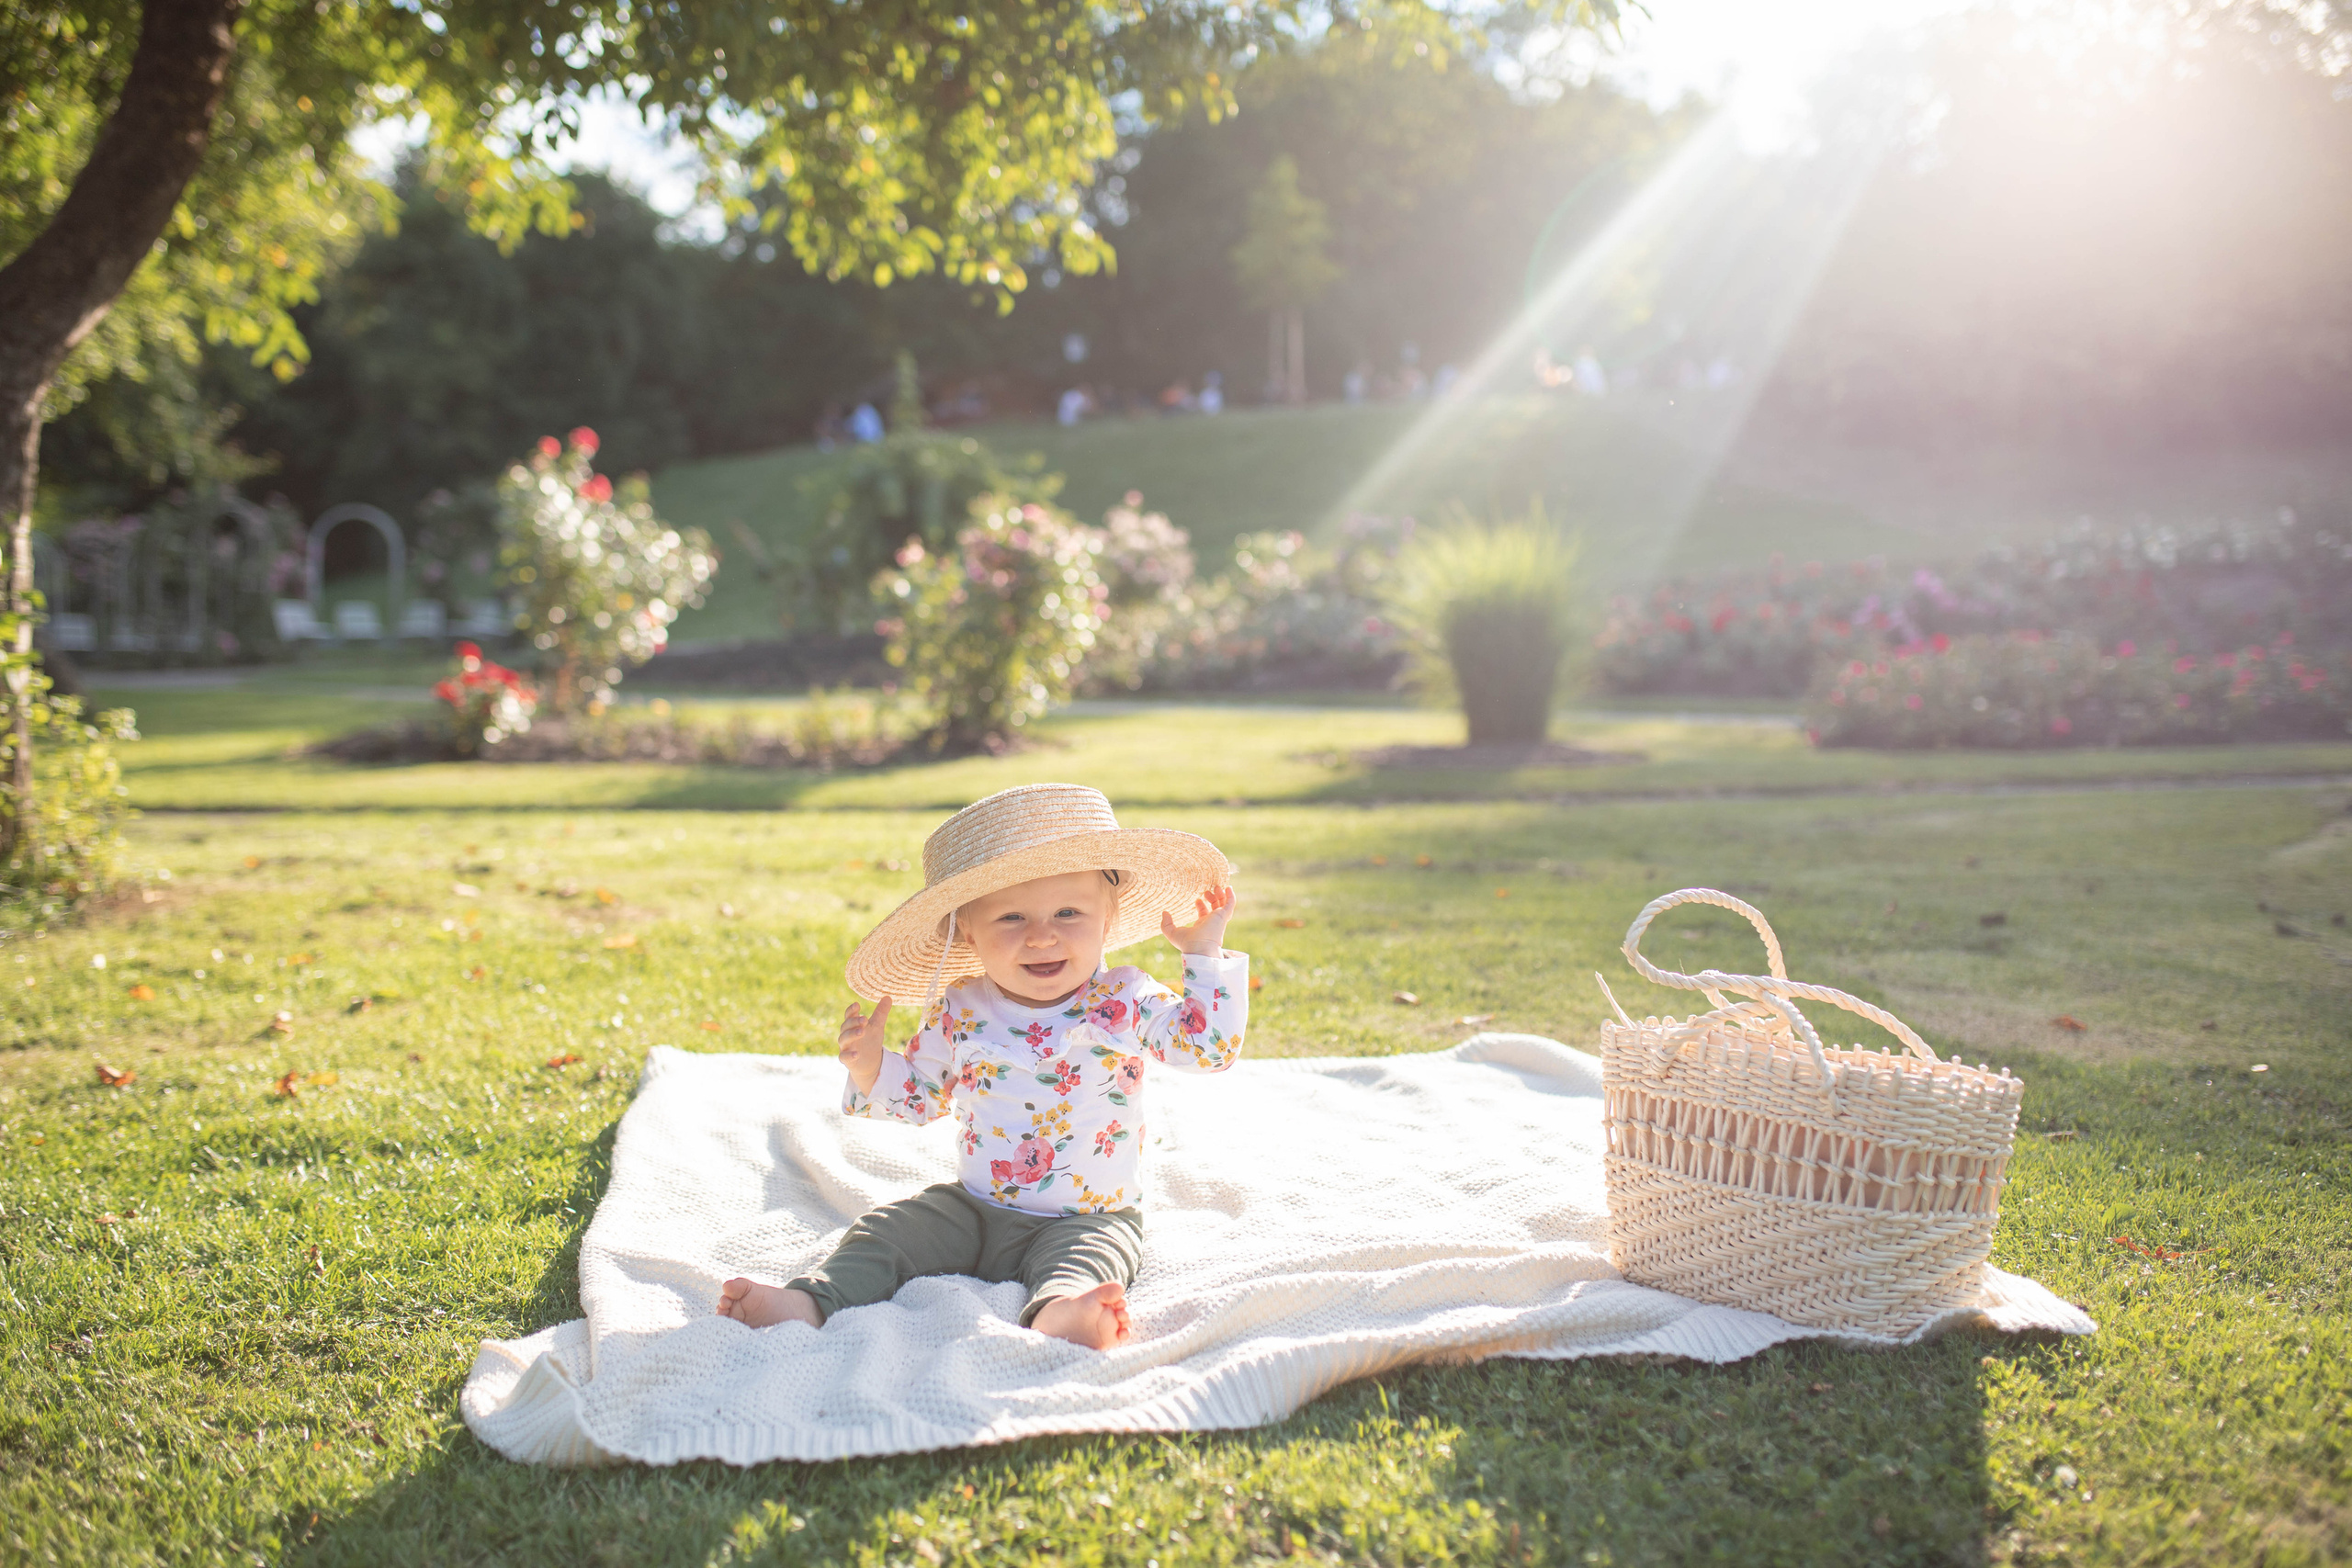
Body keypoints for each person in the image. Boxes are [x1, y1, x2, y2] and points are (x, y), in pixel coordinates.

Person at [717, 784, 1249, 1349]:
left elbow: (1207, 1049)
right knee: (886, 1231)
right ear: (967, 931)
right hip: (976, 1207)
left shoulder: (1123, 1000)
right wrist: (872, 1067)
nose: (1041, 935)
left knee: (1089, 1260)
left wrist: (1203, 955)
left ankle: (1061, 1312)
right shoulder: (962, 1009)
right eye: (1011, 917)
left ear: (1109, 918)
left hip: (1088, 1213)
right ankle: (809, 1300)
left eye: (1068, 912)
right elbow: (921, 1096)